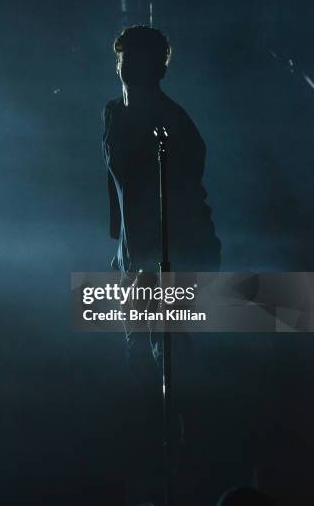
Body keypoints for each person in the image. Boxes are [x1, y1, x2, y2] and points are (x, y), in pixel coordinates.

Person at [101, 25, 221, 505]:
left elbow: (190, 198)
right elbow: (119, 190)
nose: (128, 64)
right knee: (139, 370)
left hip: (172, 261)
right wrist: (121, 252)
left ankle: (186, 475)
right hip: (135, 260)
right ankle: (151, 478)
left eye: (139, 56)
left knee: (170, 367)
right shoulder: (111, 114)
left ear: (160, 66)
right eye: (124, 55)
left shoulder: (175, 125)